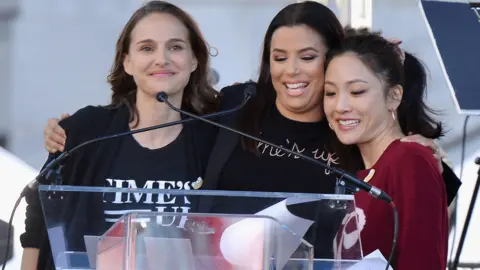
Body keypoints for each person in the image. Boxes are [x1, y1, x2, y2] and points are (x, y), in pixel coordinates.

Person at [40, 0, 460, 258]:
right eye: (279, 57)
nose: (291, 70)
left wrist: (421, 149)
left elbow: (423, 210)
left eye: (308, 57)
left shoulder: (352, 127)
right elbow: (162, 106)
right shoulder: (237, 105)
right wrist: (71, 128)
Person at [20, 1, 219, 269]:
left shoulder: (216, 139)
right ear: (127, 62)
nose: (162, 58)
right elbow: (40, 212)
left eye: (176, 47)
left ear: (194, 60)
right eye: (147, 48)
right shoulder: (87, 131)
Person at [323, 28, 448, 269]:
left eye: (357, 92)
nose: (340, 106)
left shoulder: (410, 159)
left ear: (393, 96)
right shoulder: (365, 172)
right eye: (330, 93)